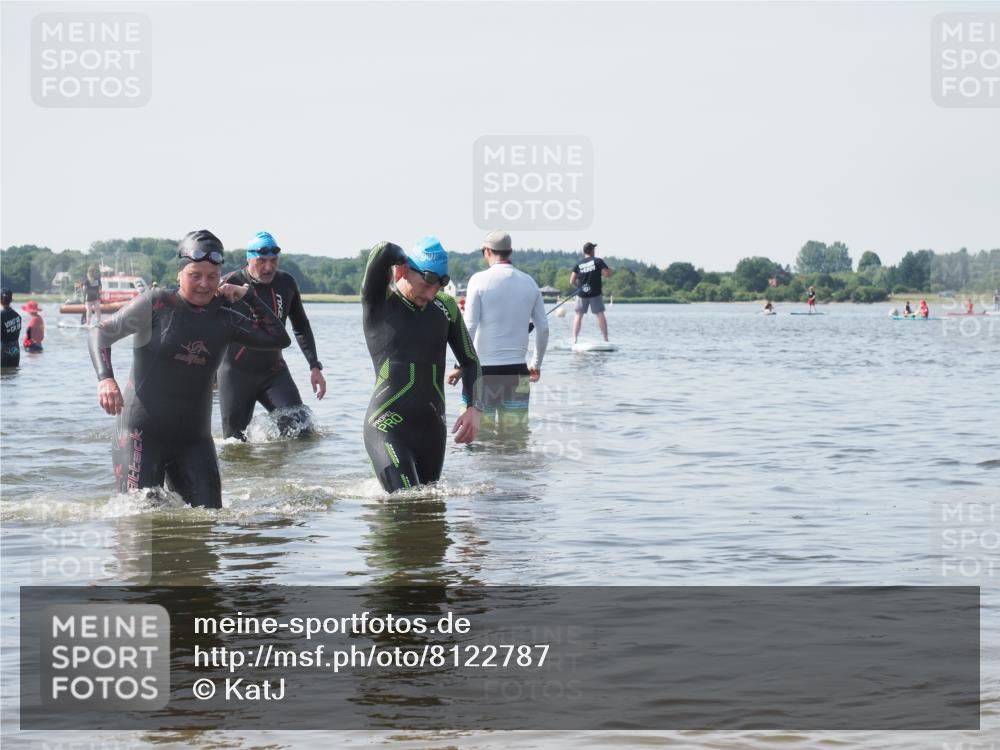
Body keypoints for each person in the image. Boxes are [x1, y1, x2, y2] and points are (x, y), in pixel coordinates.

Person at [88, 230, 291, 509]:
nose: (204, 284)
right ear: (179, 275)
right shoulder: (157, 304)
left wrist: (249, 296)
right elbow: (100, 332)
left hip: (194, 442)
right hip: (141, 435)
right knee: (137, 524)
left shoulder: (225, 318)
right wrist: (106, 379)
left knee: (209, 522)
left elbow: (279, 339)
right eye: (195, 275)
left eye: (212, 276)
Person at [361, 237, 482, 492]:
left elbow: (470, 362)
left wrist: (473, 407)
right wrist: (402, 258)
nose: (429, 295)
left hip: (431, 430)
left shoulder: (446, 307)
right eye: (425, 285)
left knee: (429, 512)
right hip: (387, 425)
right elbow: (382, 251)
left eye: (436, 288)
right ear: (403, 271)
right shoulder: (379, 302)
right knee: (408, 503)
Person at [218, 231, 326, 440]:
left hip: (274, 373)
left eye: (273, 261)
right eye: (262, 261)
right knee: (233, 443)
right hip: (235, 374)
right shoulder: (229, 283)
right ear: (248, 258)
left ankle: (289, 473)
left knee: (302, 432)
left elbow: (301, 325)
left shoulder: (286, 283)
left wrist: (314, 366)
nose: (268, 267)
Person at [447, 230, 549, 433]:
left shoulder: (478, 280)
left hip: (481, 373)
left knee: (477, 439)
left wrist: (460, 365)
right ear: (510, 252)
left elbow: (469, 327)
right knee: (515, 440)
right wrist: (535, 365)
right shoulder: (530, 282)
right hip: (517, 373)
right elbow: (543, 329)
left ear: (487, 251)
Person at [570, 241, 613, 343]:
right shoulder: (598, 261)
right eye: (593, 249)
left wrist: (580, 287)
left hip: (581, 294)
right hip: (595, 294)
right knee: (600, 315)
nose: (595, 250)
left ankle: (574, 339)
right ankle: (606, 339)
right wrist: (611, 270)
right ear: (590, 250)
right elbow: (606, 274)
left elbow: (571, 281)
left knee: (578, 316)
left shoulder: (578, 264)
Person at [1, 289, 21, 368]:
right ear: (11, 300)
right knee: (12, 375)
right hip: (15, 353)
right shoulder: (17, 316)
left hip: (2, 351)